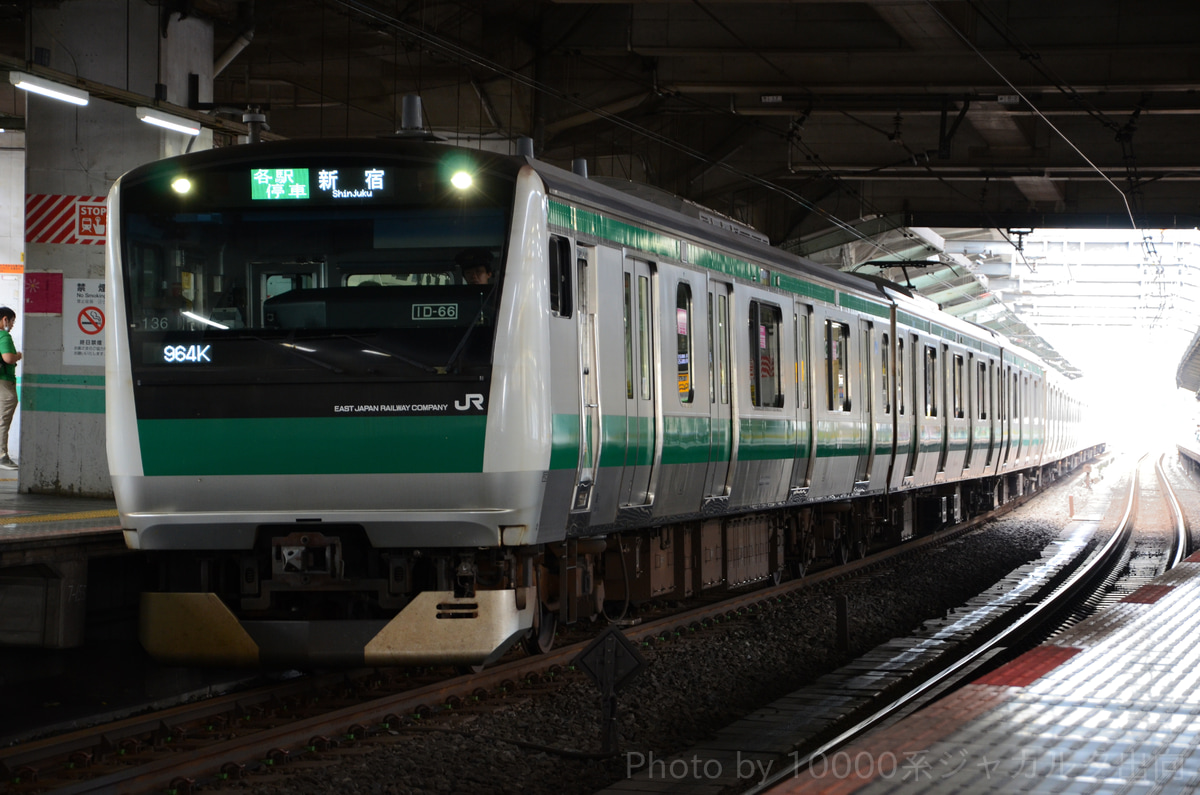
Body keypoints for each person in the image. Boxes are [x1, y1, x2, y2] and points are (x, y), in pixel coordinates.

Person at [0, 307, 21, 469]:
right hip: (4, 383)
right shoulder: (4, 335)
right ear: (5, 319)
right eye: (12, 320)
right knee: (3, 420)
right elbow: (8, 358)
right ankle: (1, 456)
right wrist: (18, 355)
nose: (12, 324)